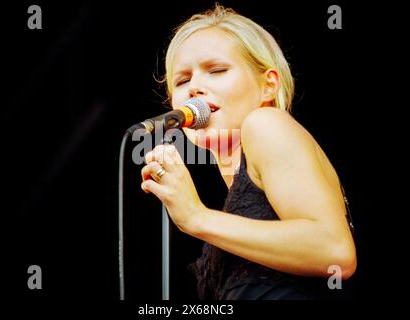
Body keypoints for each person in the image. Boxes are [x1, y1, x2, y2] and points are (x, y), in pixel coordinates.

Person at [140, 4, 356, 300]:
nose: (195, 88)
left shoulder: (265, 122)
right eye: (182, 80)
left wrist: (196, 217)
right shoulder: (236, 195)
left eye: (216, 70)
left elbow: (335, 252)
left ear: (268, 85)